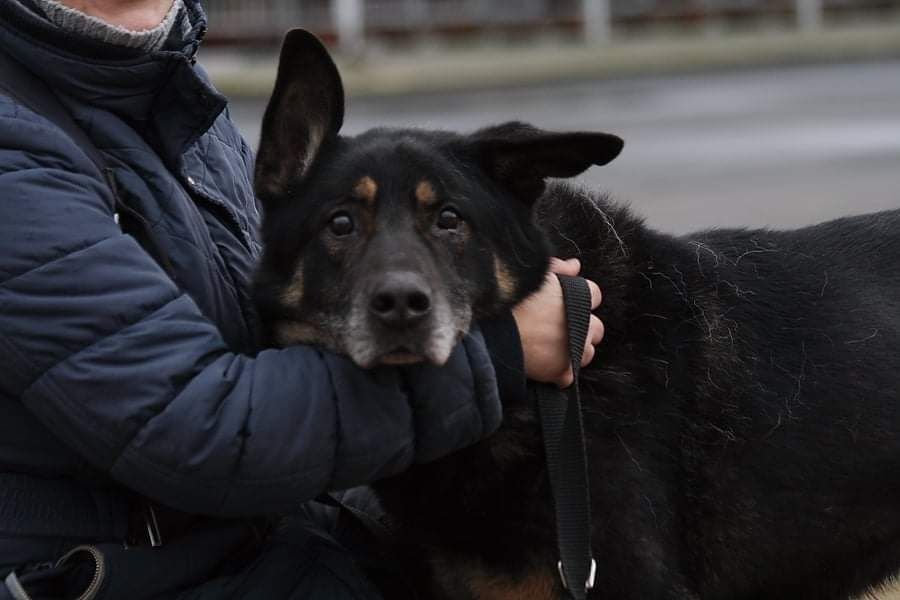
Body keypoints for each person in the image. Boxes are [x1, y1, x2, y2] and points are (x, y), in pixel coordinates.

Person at [0, 0, 605, 597]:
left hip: (259, 537)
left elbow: (278, 319)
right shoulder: (17, 152)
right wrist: (504, 348)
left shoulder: (165, 92)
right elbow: (198, 430)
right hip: (128, 572)